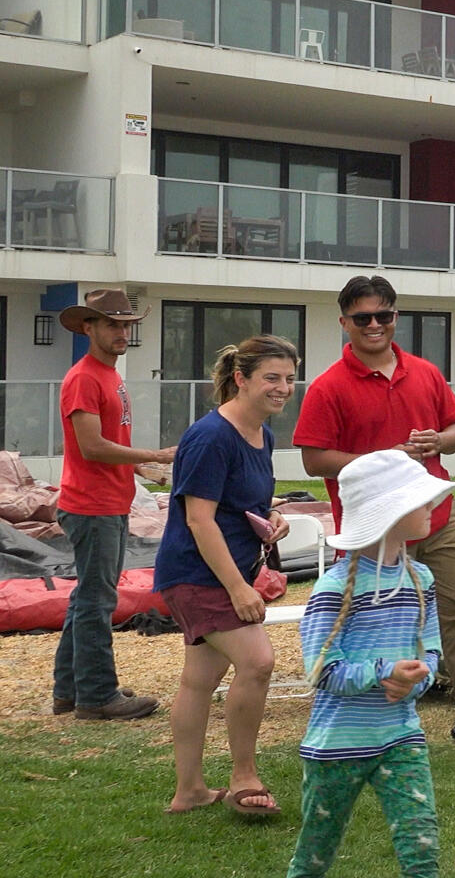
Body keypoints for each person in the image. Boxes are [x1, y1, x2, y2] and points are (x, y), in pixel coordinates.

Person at [294, 275, 455, 751]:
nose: (374, 325)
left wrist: (440, 441)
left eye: (383, 316)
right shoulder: (329, 387)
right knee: (375, 610)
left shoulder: (425, 372)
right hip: (377, 524)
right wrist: (382, 461)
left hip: (435, 510)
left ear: (395, 318)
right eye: (362, 318)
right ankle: (373, 699)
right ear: (345, 323)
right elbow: (313, 458)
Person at [287, 449, 455, 878]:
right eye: (420, 500)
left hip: (402, 738)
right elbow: (322, 670)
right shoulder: (332, 589)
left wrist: (415, 681)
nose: (432, 507)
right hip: (335, 747)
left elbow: (431, 653)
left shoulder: (420, 579)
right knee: (315, 852)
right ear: (388, 512)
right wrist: (384, 672)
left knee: (421, 847)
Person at [159, 336, 300, 817]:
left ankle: (190, 791)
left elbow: (243, 505)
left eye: (288, 378)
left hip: (220, 571)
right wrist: (239, 588)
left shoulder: (263, 434)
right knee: (258, 661)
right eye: (271, 378)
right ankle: (244, 775)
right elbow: (199, 520)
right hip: (197, 574)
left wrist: (272, 518)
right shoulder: (210, 436)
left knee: (200, 679)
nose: (283, 388)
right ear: (240, 379)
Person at [51, 288, 175, 721]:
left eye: (126, 325)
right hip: (91, 506)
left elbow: (109, 444)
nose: (122, 332)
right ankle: (98, 697)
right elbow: (91, 447)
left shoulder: (108, 374)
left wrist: (138, 470)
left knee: (88, 596)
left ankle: (70, 691)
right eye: (112, 324)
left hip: (107, 501)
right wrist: (152, 456)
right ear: (89, 327)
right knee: (97, 601)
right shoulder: (85, 377)